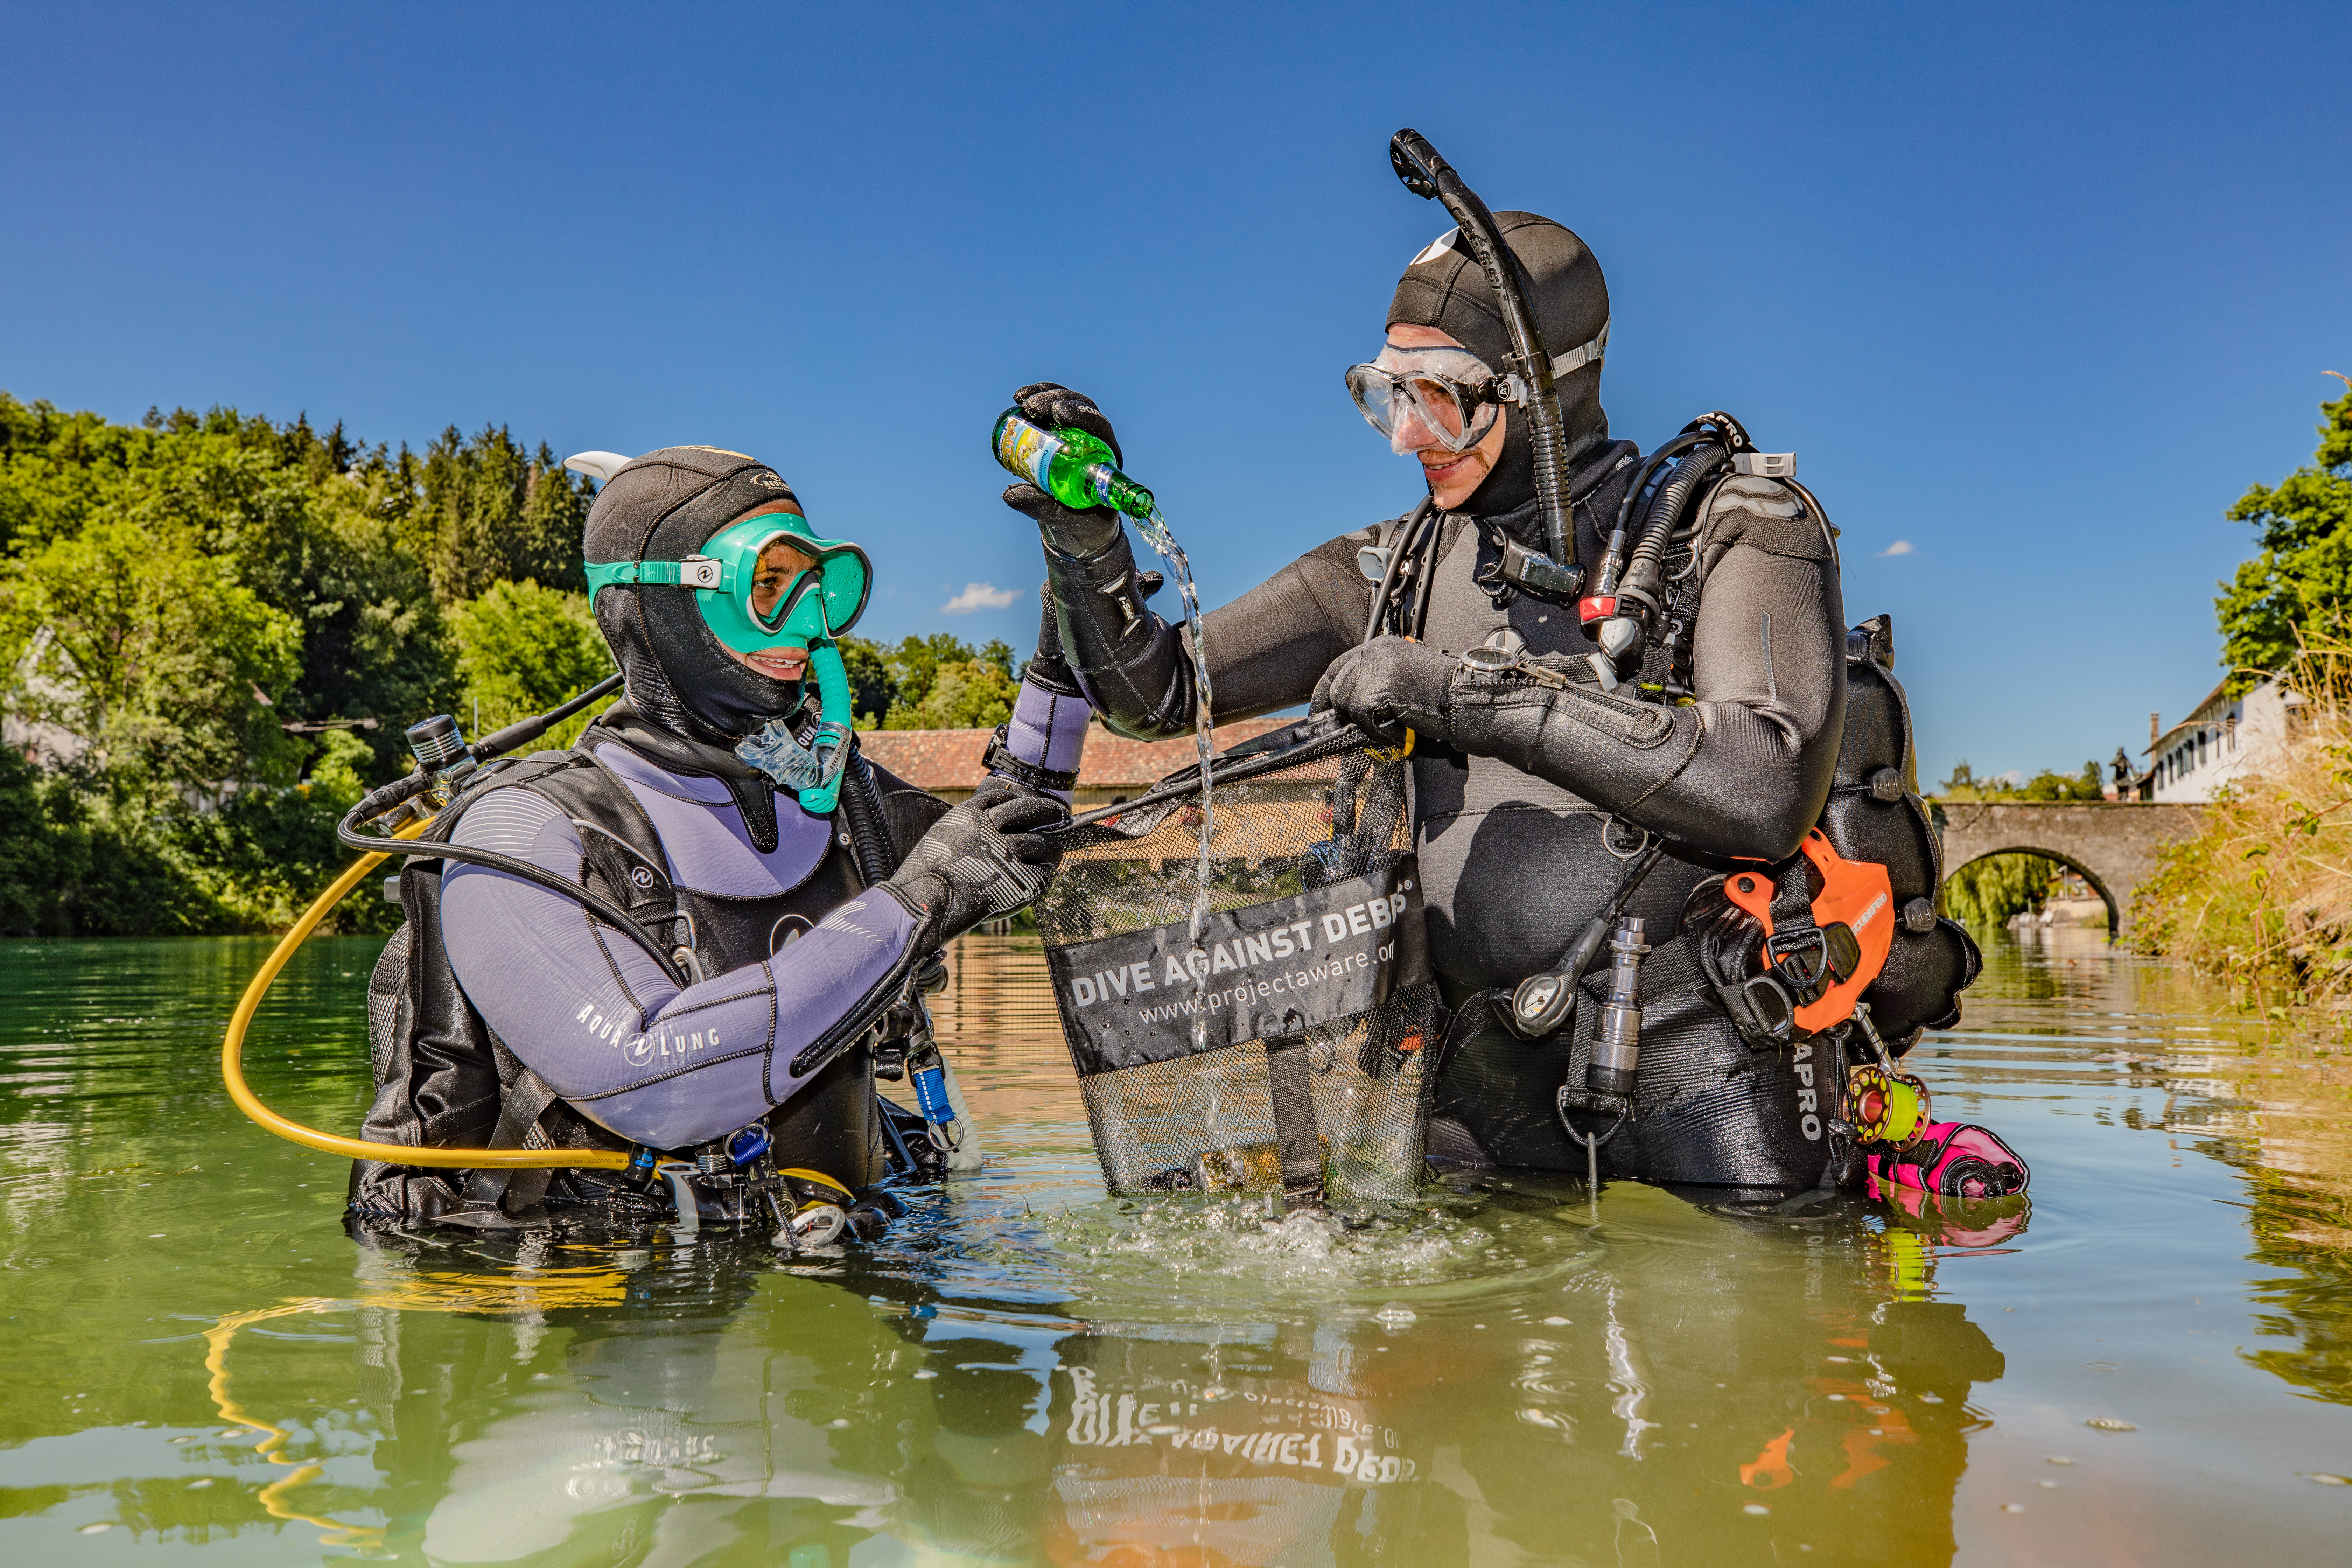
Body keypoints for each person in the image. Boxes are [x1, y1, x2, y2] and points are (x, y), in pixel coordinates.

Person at [1005, 207, 1976, 1192]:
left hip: (1715, 1106)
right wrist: (1084, 543)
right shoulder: (1389, 570)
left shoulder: (1740, 523)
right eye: (1387, 395)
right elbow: (1160, 692)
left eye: (1443, 398)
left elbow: (1762, 783)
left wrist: (1461, 695)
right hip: (1464, 1112)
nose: (1408, 437)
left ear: (1545, 384)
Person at [349, 444, 1076, 1232]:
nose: (806, 621)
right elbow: (645, 1077)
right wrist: (918, 902)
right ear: (655, 600)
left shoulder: (846, 804)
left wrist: (1069, 639)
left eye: (819, 585)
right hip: (631, 1318)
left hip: (856, 1258)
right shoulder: (527, 828)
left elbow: (1022, 827)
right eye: (768, 583)